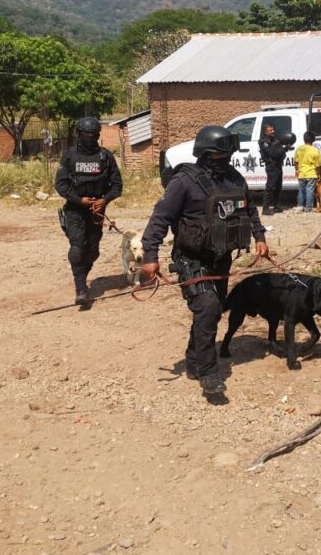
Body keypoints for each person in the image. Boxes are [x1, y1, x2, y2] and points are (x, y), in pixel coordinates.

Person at [141, 125, 269, 396]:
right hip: (191, 258)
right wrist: (150, 256)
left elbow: (250, 210)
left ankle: (193, 361)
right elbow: (160, 218)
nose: (224, 161)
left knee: (209, 311)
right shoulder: (184, 181)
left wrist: (260, 236)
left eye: (227, 156)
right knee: (209, 307)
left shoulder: (235, 180)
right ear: (206, 154)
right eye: (218, 157)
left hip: (221, 258)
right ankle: (209, 373)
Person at [54, 117, 122, 308]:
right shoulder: (70, 156)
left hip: (97, 211)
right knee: (78, 248)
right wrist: (79, 200)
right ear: (79, 134)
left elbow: (117, 186)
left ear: (98, 135)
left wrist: (104, 200)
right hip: (75, 210)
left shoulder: (105, 157)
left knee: (92, 250)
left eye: (93, 134)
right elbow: (61, 184)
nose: (89, 137)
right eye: (86, 134)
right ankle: (81, 289)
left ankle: (82, 276)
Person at [258, 123, 287, 215]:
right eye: (270, 130)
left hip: (278, 165)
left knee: (278, 186)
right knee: (270, 187)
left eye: (273, 129)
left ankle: (276, 206)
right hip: (271, 166)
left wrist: (282, 151)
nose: (273, 131)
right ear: (266, 132)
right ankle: (265, 209)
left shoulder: (274, 140)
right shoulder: (264, 142)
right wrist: (284, 149)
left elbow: (280, 153)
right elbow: (273, 154)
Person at [293, 131, 321, 213]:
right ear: (313, 140)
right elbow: (318, 165)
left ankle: (300, 206)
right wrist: (318, 173)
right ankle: (308, 208)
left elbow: (295, 161)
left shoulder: (299, 149)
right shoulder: (315, 151)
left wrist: (297, 170)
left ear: (304, 139)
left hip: (301, 173)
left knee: (301, 191)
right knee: (310, 190)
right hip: (311, 174)